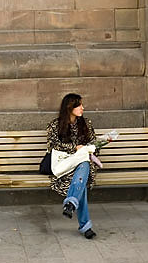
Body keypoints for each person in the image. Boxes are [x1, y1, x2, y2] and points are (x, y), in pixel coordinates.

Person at [46, 93, 97, 239]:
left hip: (83, 165)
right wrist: (74, 148)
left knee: (84, 165)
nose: (82, 107)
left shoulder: (86, 124)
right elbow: (52, 145)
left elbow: (94, 144)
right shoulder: (55, 125)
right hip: (64, 166)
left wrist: (86, 149)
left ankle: (71, 204)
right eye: (79, 105)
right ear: (70, 107)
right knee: (80, 184)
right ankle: (84, 225)